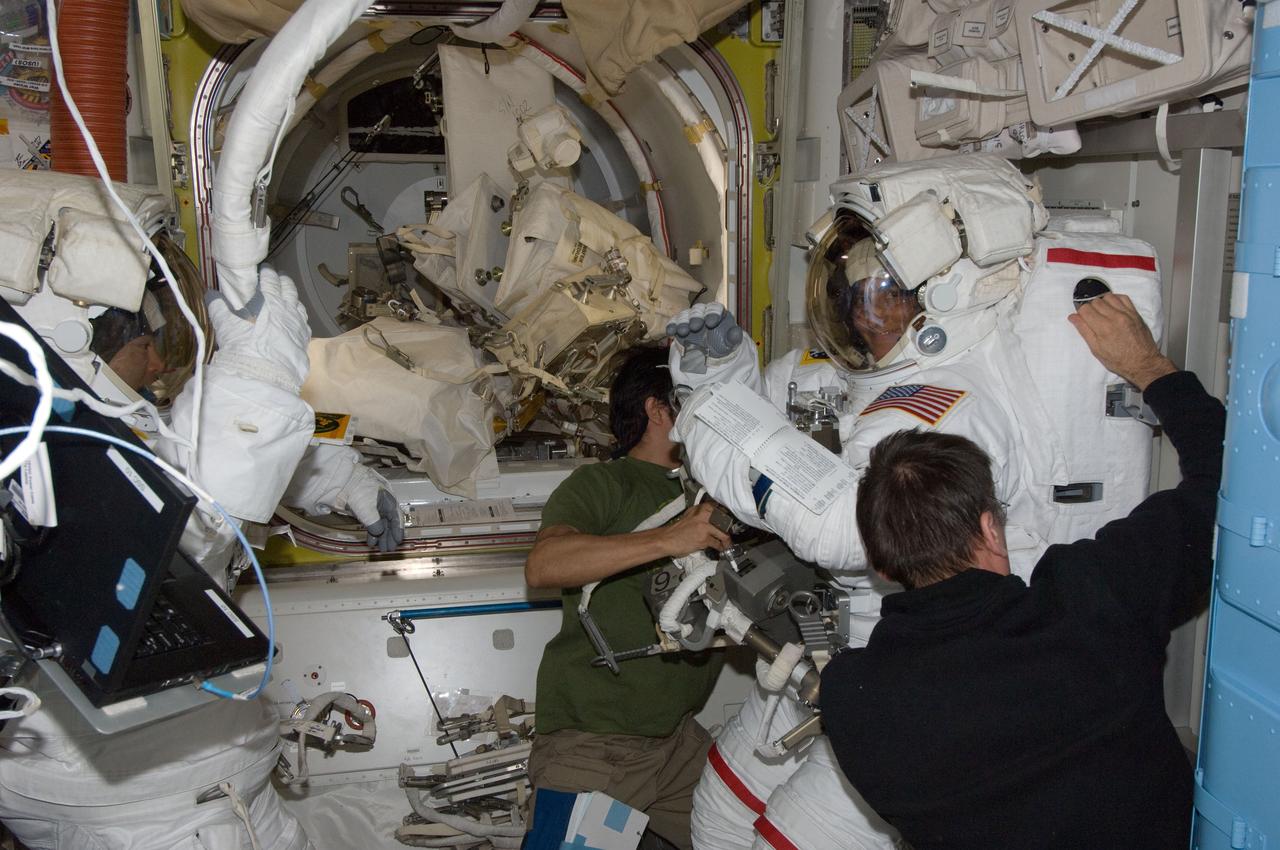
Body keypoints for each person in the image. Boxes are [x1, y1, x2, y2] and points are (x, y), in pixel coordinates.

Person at [665, 154, 1168, 850]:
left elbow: (842, 523)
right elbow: (777, 426)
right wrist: (723, 373)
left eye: (882, 293)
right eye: (852, 290)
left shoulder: (953, 400)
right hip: (846, 647)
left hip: (931, 677)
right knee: (717, 817)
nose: (862, 312)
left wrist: (706, 409)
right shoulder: (868, 368)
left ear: (946, 297)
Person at [821, 293, 1221, 848]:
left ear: (883, 565)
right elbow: (1226, 489)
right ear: (990, 528)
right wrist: (1151, 369)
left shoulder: (853, 699)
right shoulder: (1095, 596)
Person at [524, 345, 731, 850]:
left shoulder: (716, 491)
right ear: (659, 411)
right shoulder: (604, 483)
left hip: (676, 741)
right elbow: (544, 566)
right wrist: (669, 539)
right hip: (597, 744)